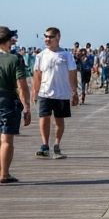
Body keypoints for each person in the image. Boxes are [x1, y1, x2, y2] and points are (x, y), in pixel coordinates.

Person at [32, 26, 78, 159]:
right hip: (44, 93)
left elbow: (72, 73)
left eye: (50, 37)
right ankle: (45, 146)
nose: (47, 39)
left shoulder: (66, 55)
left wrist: (74, 92)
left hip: (62, 93)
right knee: (44, 118)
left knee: (59, 121)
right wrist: (35, 92)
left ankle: (57, 145)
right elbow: (37, 75)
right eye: (45, 36)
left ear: (58, 37)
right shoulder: (41, 55)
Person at [0, 27, 31, 184]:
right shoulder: (15, 59)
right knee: (6, 139)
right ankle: (4, 174)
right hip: (7, 100)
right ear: (7, 41)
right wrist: (26, 106)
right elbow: (22, 85)